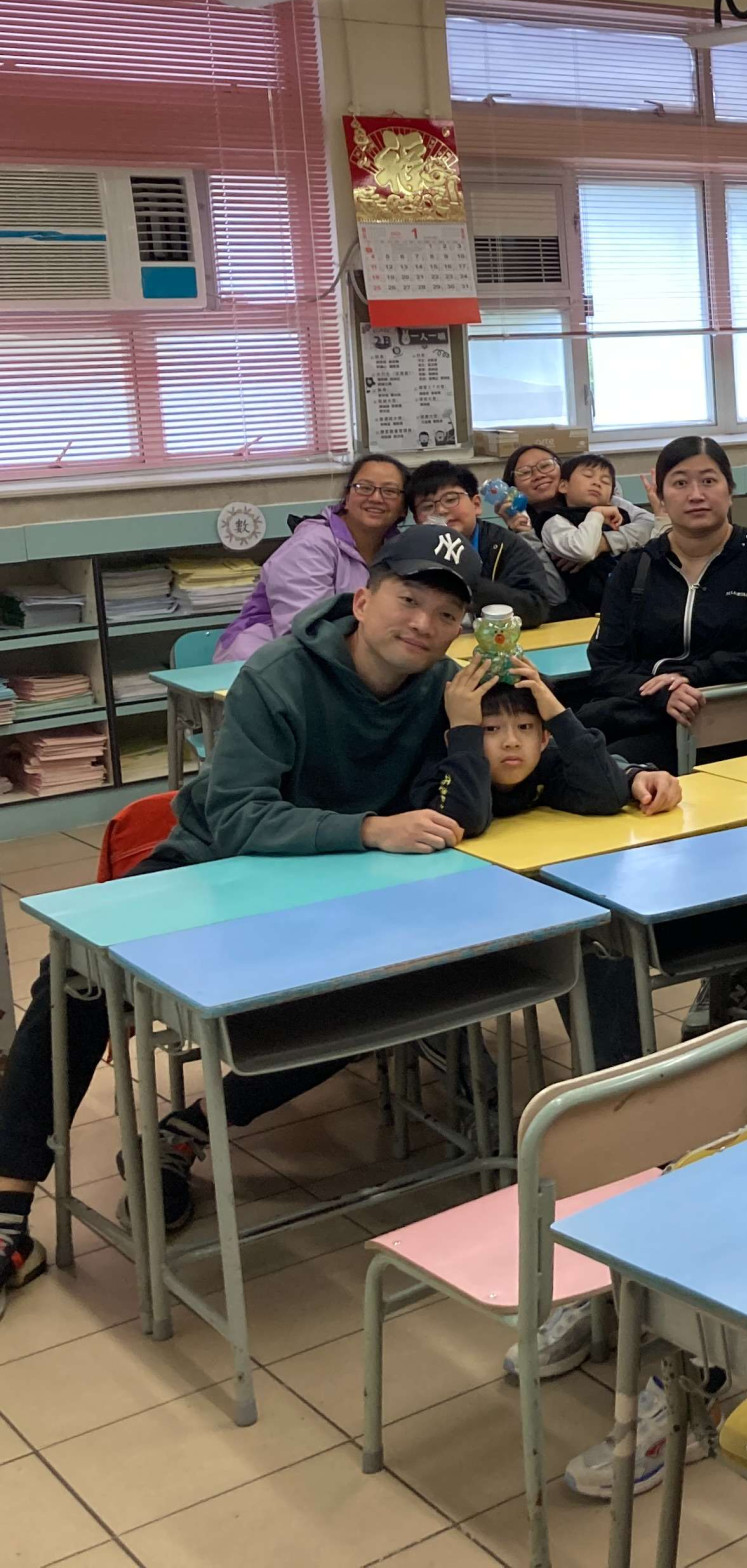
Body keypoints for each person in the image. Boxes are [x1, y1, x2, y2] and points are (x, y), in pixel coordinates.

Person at [2, 527, 490, 1287]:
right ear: (364, 599)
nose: (424, 624)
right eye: (408, 600)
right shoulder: (279, 675)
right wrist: (368, 828)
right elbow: (235, 817)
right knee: (75, 976)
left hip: (345, 885)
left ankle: (189, 1130)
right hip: (214, 869)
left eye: (446, 614)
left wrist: (504, 740)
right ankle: (9, 1208)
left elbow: (477, 801)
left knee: (382, 993)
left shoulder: (445, 688)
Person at [579, 436, 747, 771]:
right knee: (581, 763)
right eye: (680, 483)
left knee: (603, 770)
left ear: (730, 490)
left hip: (741, 723)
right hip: (650, 714)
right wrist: (661, 692)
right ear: (661, 497)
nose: (696, 495)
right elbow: (605, 664)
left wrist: (696, 675)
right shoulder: (636, 568)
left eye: (708, 481)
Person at [412, 663, 683, 828]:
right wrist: (465, 739)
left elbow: (608, 795)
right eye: (490, 729)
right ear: (457, 740)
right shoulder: (440, 776)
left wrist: (558, 715)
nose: (511, 742)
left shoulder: (547, 763)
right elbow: (465, 820)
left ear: (544, 738)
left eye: (525, 727)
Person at [214, 455, 408, 659]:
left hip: (348, 655)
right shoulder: (310, 544)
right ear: (347, 498)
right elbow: (306, 629)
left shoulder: (400, 549)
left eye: (390, 491)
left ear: (403, 509)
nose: (376, 498)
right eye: (364, 488)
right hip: (265, 656)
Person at [406, 459, 567, 628]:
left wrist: (467, 585)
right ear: (417, 520)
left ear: (476, 505)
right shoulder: (409, 552)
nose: (440, 510)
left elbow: (535, 609)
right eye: (427, 507)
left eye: (451, 499)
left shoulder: (505, 545)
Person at [540, 452, 663, 616]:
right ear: (563, 486)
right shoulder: (555, 522)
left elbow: (653, 529)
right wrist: (596, 514)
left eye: (605, 481)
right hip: (587, 610)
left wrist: (607, 541)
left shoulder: (620, 514)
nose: (597, 483)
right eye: (588, 476)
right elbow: (584, 550)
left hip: (632, 601)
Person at [501, 442, 570, 537]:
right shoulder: (517, 533)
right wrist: (524, 533)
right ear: (513, 487)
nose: (538, 475)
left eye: (545, 466)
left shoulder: (588, 510)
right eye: (525, 472)